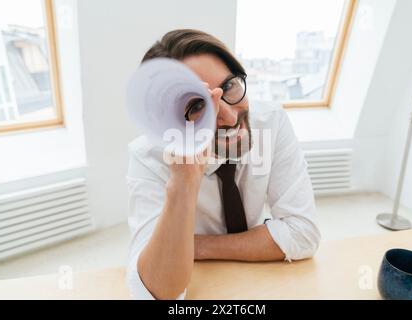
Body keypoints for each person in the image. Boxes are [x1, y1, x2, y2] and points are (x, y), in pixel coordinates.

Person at [126, 29, 320, 300]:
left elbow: (303, 234)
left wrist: (198, 247)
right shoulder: (148, 157)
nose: (229, 117)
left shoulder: (272, 122)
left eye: (228, 86)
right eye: (197, 107)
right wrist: (184, 181)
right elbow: (158, 293)